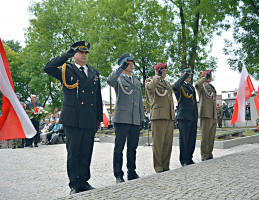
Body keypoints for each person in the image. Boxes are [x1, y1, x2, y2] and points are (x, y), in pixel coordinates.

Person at [44, 41, 103, 194]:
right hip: (73, 117)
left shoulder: (94, 72)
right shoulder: (66, 69)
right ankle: (74, 184)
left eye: (86, 53)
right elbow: (48, 67)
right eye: (81, 52)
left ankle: (84, 181)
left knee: (86, 151)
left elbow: (98, 97)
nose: (84, 55)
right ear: (75, 55)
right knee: (73, 151)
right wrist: (66, 55)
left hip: (90, 118)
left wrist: (99, 119)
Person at [107, 53, 145, 184]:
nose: (131, 65)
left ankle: (132, 172)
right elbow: (109, 80)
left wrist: (142, 118)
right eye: (128, 63)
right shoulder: (117, 79)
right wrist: (119, 69)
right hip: (122, 118)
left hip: (134, 118)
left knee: (132, 147)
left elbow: (140, 101)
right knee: (119, 148)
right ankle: (118, 174)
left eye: (132, 62)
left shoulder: (137, 82)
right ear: (123, 64)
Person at [145, 63, 175, 173]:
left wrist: (173, 115)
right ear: (158, 71)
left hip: (169, 115)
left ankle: (166, 165)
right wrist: (157, 76)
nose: (165, 73)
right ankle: (158, 167)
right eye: (163, 71)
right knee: (158, 143)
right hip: (158, 116)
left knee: (168, 143)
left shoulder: (167, 83)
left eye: (165, 71)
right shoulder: (150, 81)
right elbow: (151, 89)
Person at [173, 67, 198, 167]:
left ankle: (189, 158)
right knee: (184, 139)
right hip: (184, 116)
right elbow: (175, 87)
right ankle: (183, 160)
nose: (190, 76)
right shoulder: (180, 85)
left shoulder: (191, 87)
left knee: (192, 138)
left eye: (190, 74)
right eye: (187, 74)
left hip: (192, 116)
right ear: (182, 74)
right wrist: (183, 78)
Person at [195, 70, 217, 161]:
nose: (211, 77)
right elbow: (196, 85)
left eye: (210, 76)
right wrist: (204, 78)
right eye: (209, 76)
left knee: (211, 136)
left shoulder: (211, 86)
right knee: (205, 136)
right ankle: (204, 155)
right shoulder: (201, 86)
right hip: (205, 114)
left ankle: (209, 153)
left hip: (213, 114)